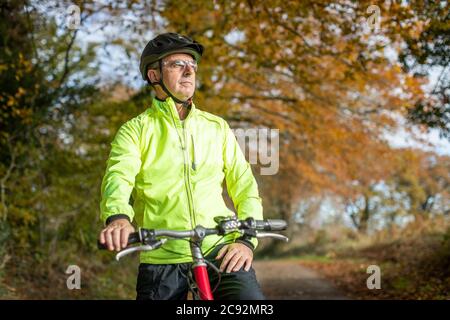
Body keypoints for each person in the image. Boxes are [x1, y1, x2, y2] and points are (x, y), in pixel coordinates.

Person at [98, 32, 265, 300]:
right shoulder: (136, 130)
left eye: (193, 66)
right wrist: (118, 218)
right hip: (162, 254)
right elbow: (118, 176)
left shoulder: (216, 127)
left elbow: (244, 185)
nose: (189, 71)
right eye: (177, 65)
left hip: (219, 249)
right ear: (154, 76)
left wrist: (246, 240)